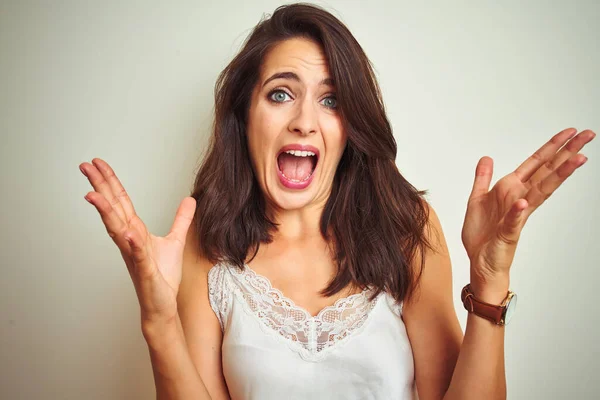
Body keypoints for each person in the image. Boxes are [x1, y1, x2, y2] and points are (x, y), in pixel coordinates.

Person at [78, 3, 595, 400]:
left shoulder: (406, 228)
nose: (305, 119)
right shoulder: (204, 244)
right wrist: (158, 320)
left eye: (331, 100)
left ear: (351, 128)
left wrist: (489, 281)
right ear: (244, 114)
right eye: (281, 93)